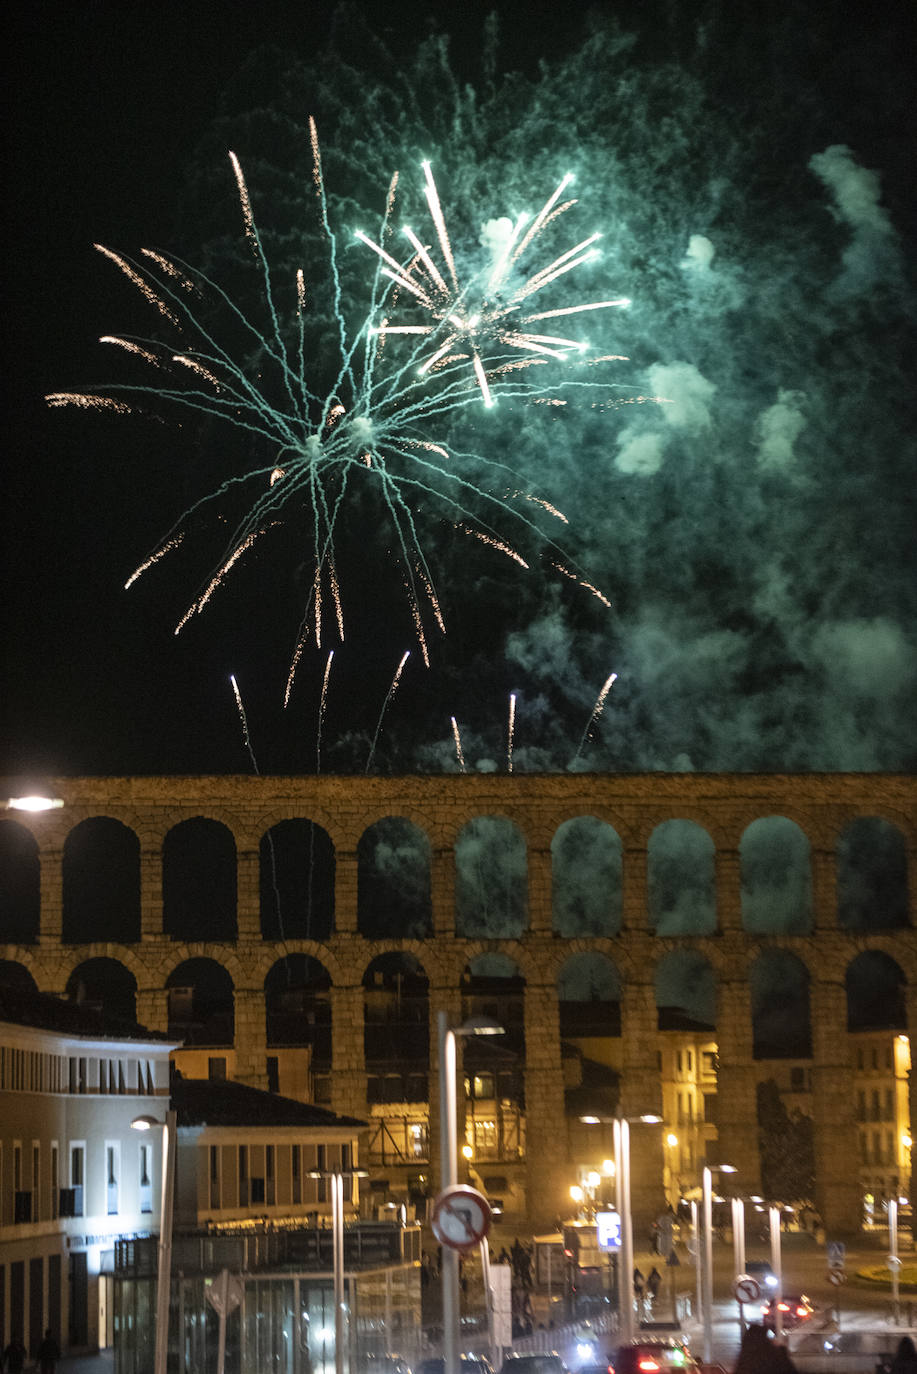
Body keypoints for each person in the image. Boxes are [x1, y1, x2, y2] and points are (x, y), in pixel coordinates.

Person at [732, 1323, 797, 1372]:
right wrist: (781, 1350)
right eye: (768, 1338)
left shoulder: (744, 1363)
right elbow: (789, 1370)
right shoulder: (773, 1360)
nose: (772, 1340)